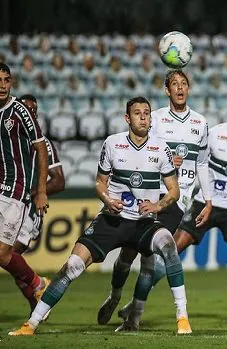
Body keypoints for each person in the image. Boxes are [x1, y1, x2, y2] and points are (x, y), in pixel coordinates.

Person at [9, 96, 192, 336]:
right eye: (137, 113)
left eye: (147, 113)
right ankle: (31, 324)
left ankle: (182, 318)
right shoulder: (113, 144)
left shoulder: (161, 148)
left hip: (143, 222)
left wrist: (158, 206)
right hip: (112, 220)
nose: (143, 117)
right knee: (72, 266)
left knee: (168, 245)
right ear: (127, 118)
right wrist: (107, 199)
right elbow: (99, 182)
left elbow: (174, 191)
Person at [115, 89, 227, 324]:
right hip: (204, 203)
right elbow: (194, 160)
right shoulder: (214, 134)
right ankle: (137, 303)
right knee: (170, 252)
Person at [97, 70, 211, 331]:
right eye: (174, 84)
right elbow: (138, 146)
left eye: (184, 84)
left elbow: (203, 163)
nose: (180, 89)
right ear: (166, 90)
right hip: (144, 194)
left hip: (174, 201)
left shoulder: (200, 123)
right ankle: (115, 296)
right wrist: (167, 159)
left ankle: (135, 315)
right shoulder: (156, 118)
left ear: (189, 89)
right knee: (128, 251)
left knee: (150, 257)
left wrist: (207, 198)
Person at [0, 63, 50, 310]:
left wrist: (41, 191)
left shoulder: (20, 111)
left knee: (2, 254)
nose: (2, 85)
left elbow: (41, 148)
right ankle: (37, 287)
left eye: (6, 80)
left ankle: (37, 284)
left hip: (15, 191)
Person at [13, 94, 65, 314]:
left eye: (34, 110)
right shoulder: (9, 138)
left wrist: (36, 192)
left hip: (29, 210)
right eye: (26, 109)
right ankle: (37, 301)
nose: (30, 113)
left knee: (7, 255)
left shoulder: (42, 143)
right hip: (8, 203)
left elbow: (59, 180)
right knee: (11, 261)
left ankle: (38, 288)